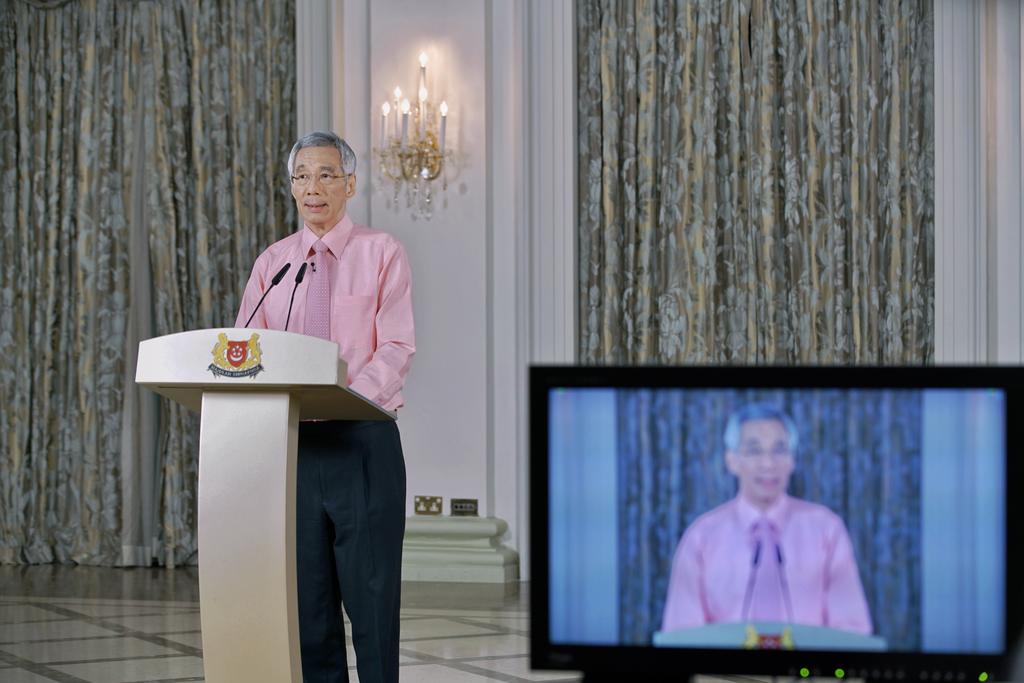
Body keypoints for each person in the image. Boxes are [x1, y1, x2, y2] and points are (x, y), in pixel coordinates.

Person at [235, 131, 415, 683]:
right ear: (291, 187)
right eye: (301, 177)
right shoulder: (275, 264)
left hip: (361, 441)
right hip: (294, 448)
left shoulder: (381, 253)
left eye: (326, 175)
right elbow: (246, 345)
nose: (313, 188)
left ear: (350, 184)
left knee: (372, 598)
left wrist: (349, 396)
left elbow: (397, 345)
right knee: (308, 605)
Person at [661, 404, 872, 635]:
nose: (768, 464)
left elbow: (853, 631)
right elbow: (681, 634)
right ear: (732, 460)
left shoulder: (827, 529)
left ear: (792, 460)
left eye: (779, 450)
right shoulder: (701, 536)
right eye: (754, 451)